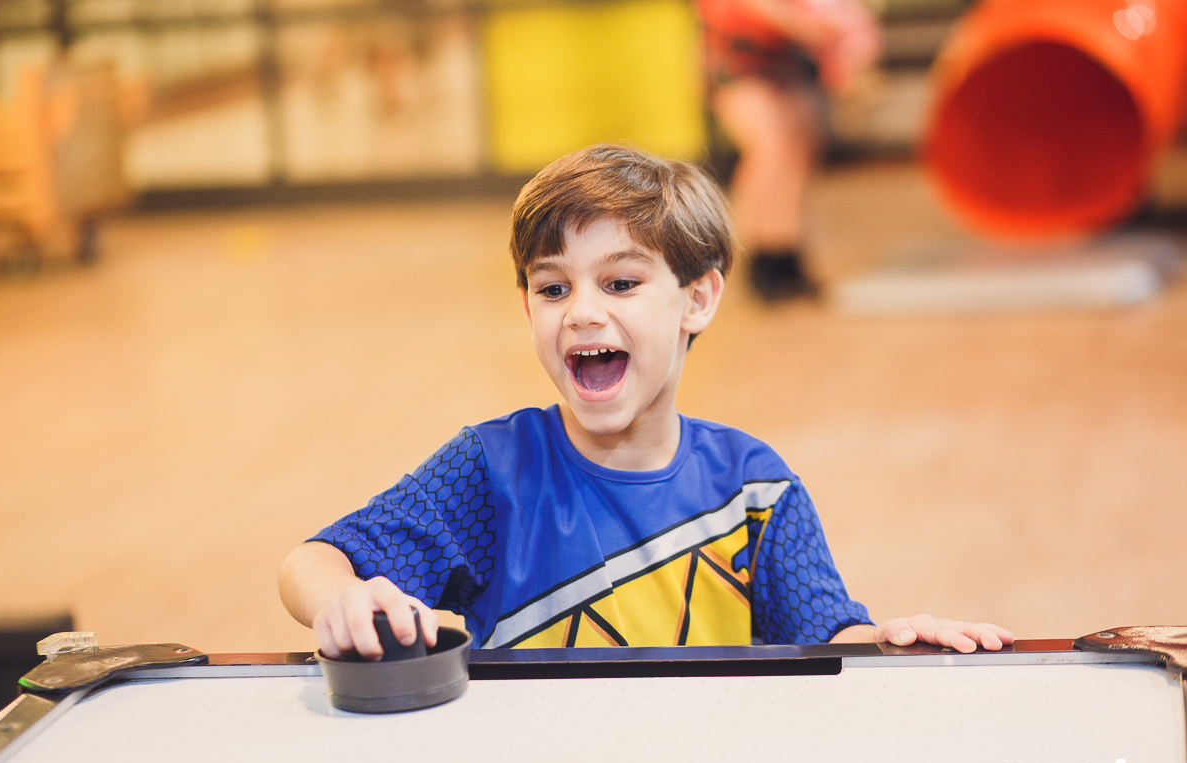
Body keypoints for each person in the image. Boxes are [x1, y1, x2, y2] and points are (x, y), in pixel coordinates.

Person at [279, 144, 1013, 658]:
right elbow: (314, 563)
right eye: (552, 287)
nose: (582, 312)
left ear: (698, 298)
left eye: (621, 283)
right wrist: (340, 600)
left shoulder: (754, 487)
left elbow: (826, 639)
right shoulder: (493, 470)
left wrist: (893, 641)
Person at [697, 0, 881, 299]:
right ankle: (759, 255)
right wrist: (804, 26)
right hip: (742, 55)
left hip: (788, 55)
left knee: (798, 153)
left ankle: (786, 254)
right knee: (769, 149)